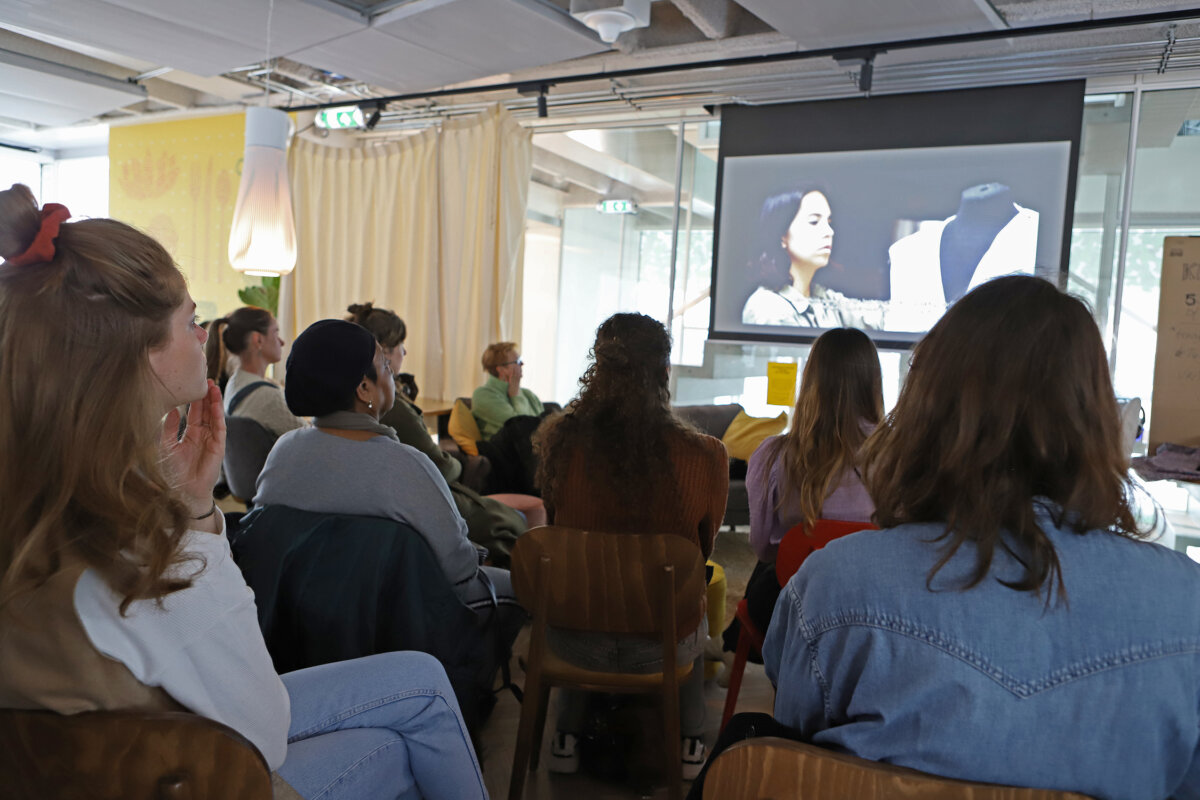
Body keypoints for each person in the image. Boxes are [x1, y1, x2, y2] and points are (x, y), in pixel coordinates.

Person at [0, 184, 487, 800]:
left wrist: (190, 504)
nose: (206, 337)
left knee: (418, 680)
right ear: (139, 355)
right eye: (191, 321)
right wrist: (196, 523)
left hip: (117, 756)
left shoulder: (43, 514)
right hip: (197, 772)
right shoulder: (130, 562)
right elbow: (263, 730)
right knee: (399, 741)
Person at [762, 275, 1200, 799]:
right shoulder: (1187, 605)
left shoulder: (833, 586)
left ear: (926, 411)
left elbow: (792, 762)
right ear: (1098, 418)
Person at [533, 313, 729, 781]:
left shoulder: (560, 443)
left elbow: (559, 530)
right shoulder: (706, 455)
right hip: (662, 645)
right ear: (665, 372)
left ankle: (565, 736)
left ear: (597, 370)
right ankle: (690, 741)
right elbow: (699, 552)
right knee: (691, 594)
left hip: (573, 640)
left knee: (581, 584)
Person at [254, 318, 524, 624]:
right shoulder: (404, 464)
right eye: (385, 365)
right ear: (364, 388)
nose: (393, 374)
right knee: (518, 588)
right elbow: (459, 569)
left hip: (305, 615)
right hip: (399, 619)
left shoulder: (283, 452)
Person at [721, 327, 881, 653]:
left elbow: (763, 548)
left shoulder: (773, 456)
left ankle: (734, 644)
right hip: (876, 613)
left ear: (810, 380)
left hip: (796, 614)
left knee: (773, 568)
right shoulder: (904, 456)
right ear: (873, 382)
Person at [348, 302, 529, 567]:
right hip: (421, 498)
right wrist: (459, 465)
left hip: (407, 497)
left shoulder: (353, 401)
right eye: (400, 345)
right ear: (382, 352)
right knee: (511, 523)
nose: (404, 351)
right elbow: (437, 465)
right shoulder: (389, 406)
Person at [741, 188, 878, 329]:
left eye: (828, 222)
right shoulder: (767, 307)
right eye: (814, 221)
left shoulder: (823, 297)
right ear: (782, 236)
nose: (829, 232)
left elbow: (879, 319)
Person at [206, 306, 304, 439]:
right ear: (258, 340)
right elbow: (311, 439)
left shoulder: (234, 384)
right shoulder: (268, 397)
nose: (282, 342)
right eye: (275, 333)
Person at [472, 341, 543, 439]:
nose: (522, 364)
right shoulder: (483, 395)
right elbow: (521, 428)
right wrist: (516, 395)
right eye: (518, 361)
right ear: (502, 369)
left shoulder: (528, 394)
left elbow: (545, 427)